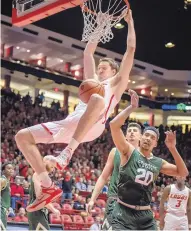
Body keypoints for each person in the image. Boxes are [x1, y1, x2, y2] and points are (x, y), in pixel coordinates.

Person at [15, 10, 136, 212]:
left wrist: (130, 23)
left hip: (93, 126)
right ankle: (47, 186)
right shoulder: (93, 82)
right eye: (99, 68)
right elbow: (88, 52)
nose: (99, 71)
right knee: (22, 137)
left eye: (103, 68)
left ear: (114, 71)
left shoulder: (116, 84)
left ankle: (67, 152)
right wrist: (99, 26)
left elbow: (130, 50)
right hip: (71, 123)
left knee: (97, 98)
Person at [108, 90, 188, 230]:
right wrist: (131, 107)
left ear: (156, 144)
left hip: (145, 215)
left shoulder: (158, 162)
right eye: (146, 135)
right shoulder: (128, 151)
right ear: (141, 137)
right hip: (123, 211)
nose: (148, 138)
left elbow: (183, 172)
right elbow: (114, 125)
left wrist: (173, 148)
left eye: (152, 137)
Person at [87, 90, 141, 230]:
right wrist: (92, 199)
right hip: (114, 202)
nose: (131, 132)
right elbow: (103, 177)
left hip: (133, 206)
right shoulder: (114, 151)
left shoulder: (145, 158)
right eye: (129, 130)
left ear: (141, 137)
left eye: (135, 131)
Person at [27, 157, 61, 229]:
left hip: (40, 211)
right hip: (36, 211)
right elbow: (41, 198)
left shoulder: (45, 177)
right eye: (51, 162)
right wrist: (53, 209)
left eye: (53, 164)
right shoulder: (38, 175)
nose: (53, 165)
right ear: (44, 163)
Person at [0, 163, 14, 229]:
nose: (11, 170)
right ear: (3, 170)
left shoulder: (7, 181)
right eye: (8, 168)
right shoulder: (2, 180)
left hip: (5, 210)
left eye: (12, 169)